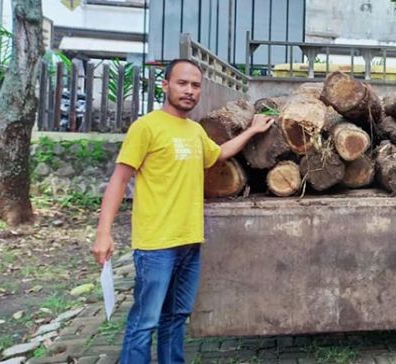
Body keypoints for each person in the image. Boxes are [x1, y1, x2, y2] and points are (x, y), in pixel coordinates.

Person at [91, 58, 273, 364]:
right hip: (156, 245)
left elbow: (218, 155)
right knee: (145, 322)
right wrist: (103, 232)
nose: (189, 91)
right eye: (182, 83)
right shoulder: (146, 127)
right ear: (165, 86)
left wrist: (253, 131)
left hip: (190, 241)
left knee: (175, 318)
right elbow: (119, 179)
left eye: (195, 85)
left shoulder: (194, 130)